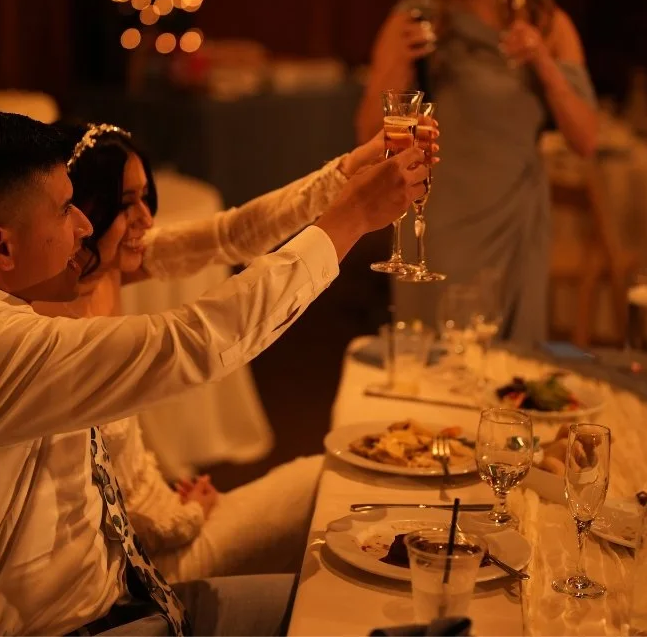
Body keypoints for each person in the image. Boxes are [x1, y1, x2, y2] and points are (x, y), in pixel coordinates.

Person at [0, 112, 428, 636]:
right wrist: (351, 219)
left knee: (343, 581)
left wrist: (342, 180)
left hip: (120, 593)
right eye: (65, 210)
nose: (84, 225)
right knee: (349, 604)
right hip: (94, 623)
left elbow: (228, 236)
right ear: (0, 246)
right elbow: (195, 341)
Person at [34, 121, 410, 584]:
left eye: (145, 198)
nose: (146, 219)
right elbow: (103, 513)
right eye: (126, 202)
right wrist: (189, 513)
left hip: (167, 514)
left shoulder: (106, 268)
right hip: (141, 567)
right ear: (81, 209)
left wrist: (346, 171)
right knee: (326, 483)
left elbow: (233, 234)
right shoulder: (53, 326)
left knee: (329, 480)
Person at [356, 0, 597, 344]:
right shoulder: (422, 16)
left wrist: (543, 62)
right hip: (444, 219)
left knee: (509, 366)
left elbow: (585, 140)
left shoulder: (550, 24)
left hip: (516, 220)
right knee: (438, 359)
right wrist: (400, 61)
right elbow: (368, 130)